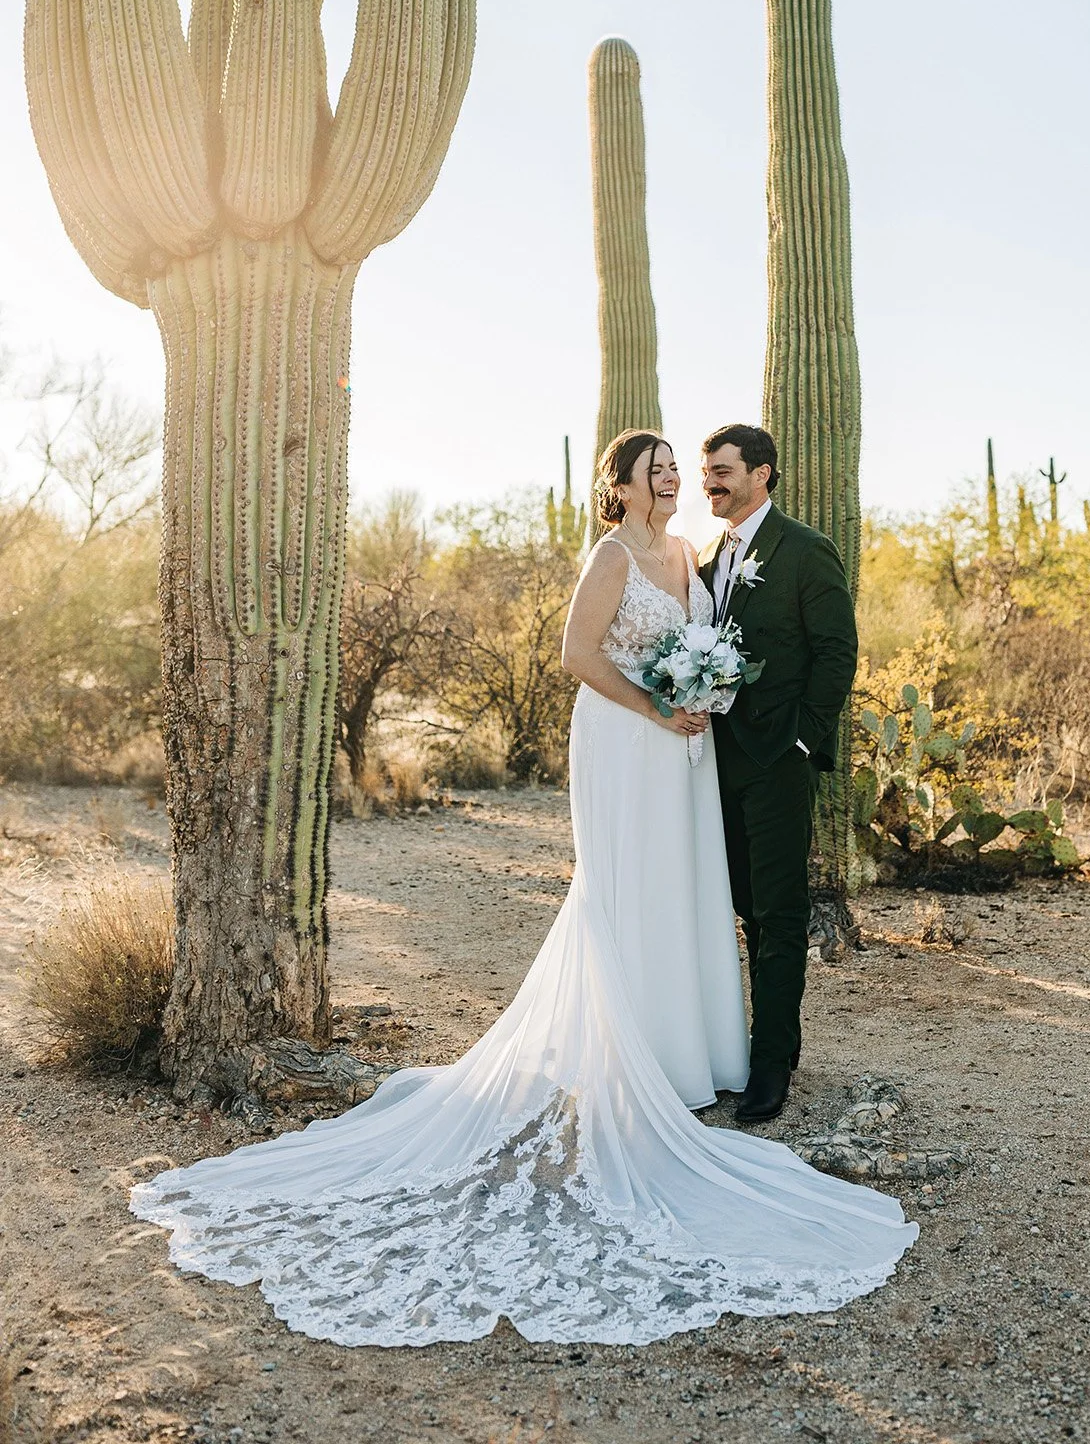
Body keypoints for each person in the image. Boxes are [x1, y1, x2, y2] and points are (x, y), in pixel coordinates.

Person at [130, 431, 915, 1347]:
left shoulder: (695, 554)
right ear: (621, 485)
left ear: (752, 476)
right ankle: (636, 1058)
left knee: (690, 891)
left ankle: (707, 1059)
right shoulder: (615, 555)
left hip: (692, 753)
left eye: (690, 468)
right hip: (629, 740)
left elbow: (791, 647)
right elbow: (580, 655)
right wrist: (658, 704)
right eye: (661, 469)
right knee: (628, 890)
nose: (679, 479)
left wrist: (742, 718)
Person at [699, 424, 860, 1125]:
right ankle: (772, 1042)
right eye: (706, 472)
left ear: (760, 474)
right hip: (716, 759)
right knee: (744, 905)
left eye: (722, 471)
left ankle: (770, 1066)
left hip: (777, 760)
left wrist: (801, 741)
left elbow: (837, 651)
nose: (709, 482)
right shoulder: (709, 555)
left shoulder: (804, 549)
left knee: (781, 910)